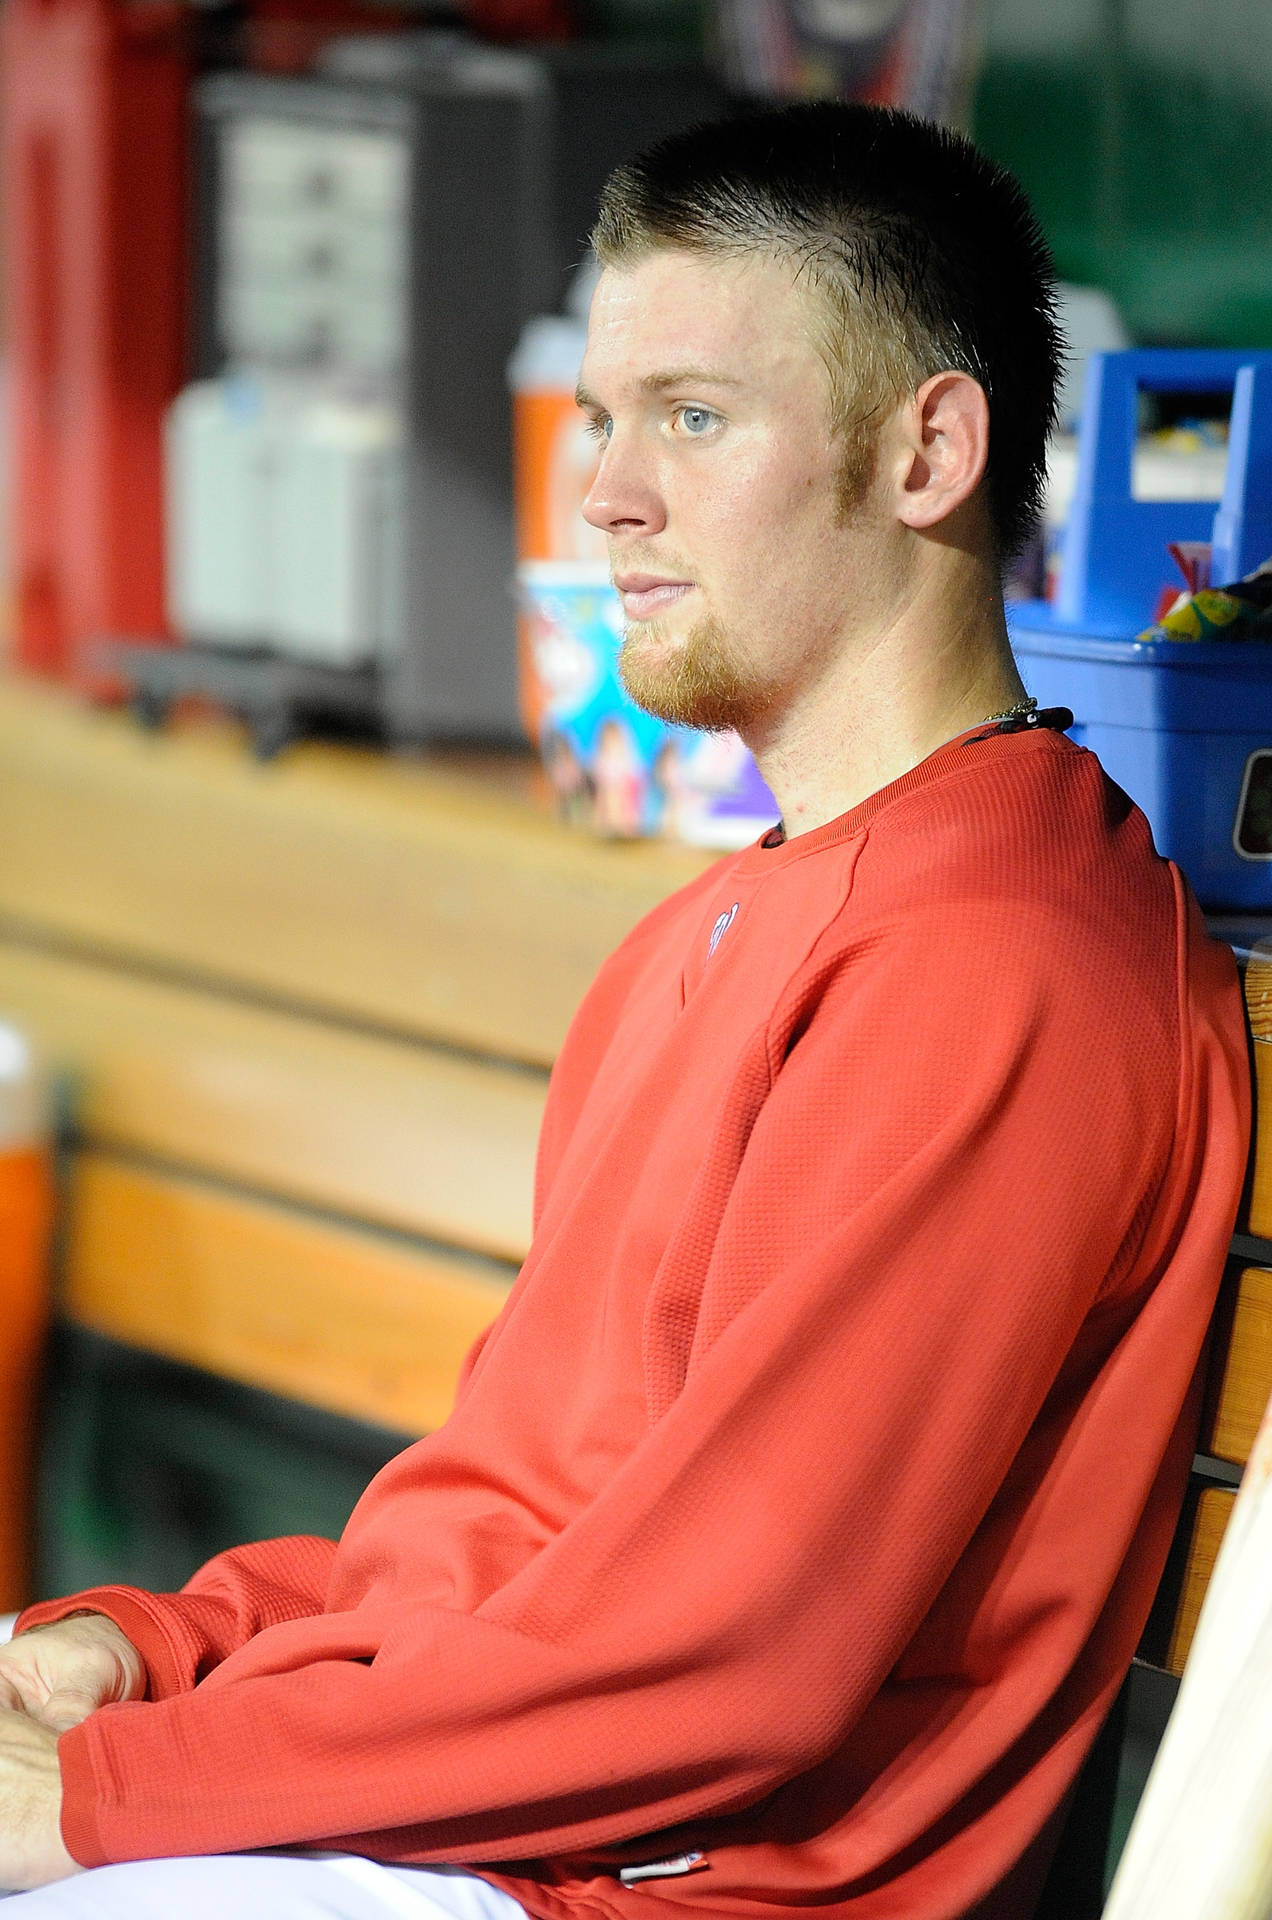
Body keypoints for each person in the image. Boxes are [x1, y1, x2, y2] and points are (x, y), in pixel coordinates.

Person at [0, 102, 1249, 1919]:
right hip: (481, 1828)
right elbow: (499, 1542)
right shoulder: (729, 921)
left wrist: (108, 1795)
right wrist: (146, 1653)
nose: (606, 494)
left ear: (930, 450)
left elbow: (720, 1662)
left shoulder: (999, 964)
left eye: (693, 415)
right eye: (604, 417)